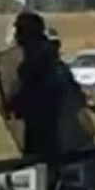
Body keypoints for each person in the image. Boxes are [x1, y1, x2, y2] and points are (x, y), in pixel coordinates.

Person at [10, 12, 61, 157]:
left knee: (39, 153)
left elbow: (34, 84)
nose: (16, 35)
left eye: (18, 30)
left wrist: (17, 101)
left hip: (41, 114)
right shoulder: (39, 51)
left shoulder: (37, 53)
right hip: (40, 113)